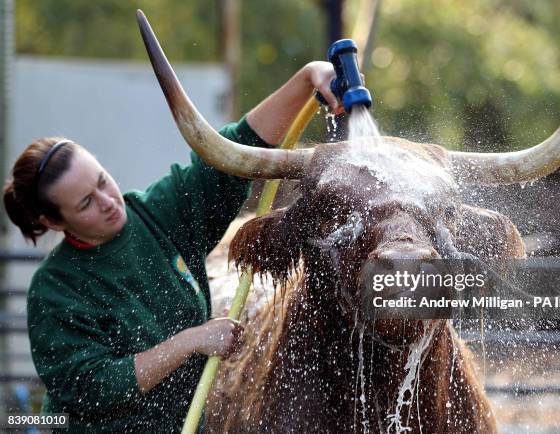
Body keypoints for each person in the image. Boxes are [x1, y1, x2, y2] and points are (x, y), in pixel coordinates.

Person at [3, 61, 342, 433]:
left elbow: (233, 154)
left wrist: (306, 78)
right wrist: (190, 341)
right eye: (86, 203)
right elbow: (92, 388)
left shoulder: (157, 213)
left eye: (102, 180)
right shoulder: (55, 290)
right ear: (52, 222)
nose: (108, 201)